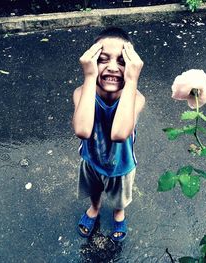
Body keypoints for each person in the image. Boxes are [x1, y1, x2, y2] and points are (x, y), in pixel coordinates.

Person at [72, 27, 145, 242]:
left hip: (121, 165)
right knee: (94, 189)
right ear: (91, 62)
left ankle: (118, 213)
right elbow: (83, 130)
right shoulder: (81, 93)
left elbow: (120, 134)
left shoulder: (136, 98)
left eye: (122, 62)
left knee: (120, 198)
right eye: (103, 59)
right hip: (91, 160)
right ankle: (94, 208)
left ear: (133, 68)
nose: (113, 67)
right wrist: (89, 76)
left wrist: (132, 81)